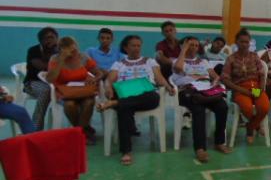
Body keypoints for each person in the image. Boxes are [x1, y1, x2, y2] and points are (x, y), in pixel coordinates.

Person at [97, 35, 175, 165]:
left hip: (146, 96)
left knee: (152, 97)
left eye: (139, 45)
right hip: (126, 93)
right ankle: (126, 151)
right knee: (124, 109)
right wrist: (107, 87)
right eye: (133, 45)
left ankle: (114, 104)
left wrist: (168, 86)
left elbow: (159, 78)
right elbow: (109, 80)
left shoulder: (149, 61)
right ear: (126, 48)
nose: (137, 48)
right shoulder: (119, 64)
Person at [172, 36, 230, 163]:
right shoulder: (177, 61)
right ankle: (200, 148)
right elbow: (178, 69)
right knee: (199, 110)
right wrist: (184, 50)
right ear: (183, 46)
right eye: (190, 45)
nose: (193, 47)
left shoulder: (203, 62)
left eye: (196, 45)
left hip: (205, 90)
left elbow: (214, 76)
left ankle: (219, 142)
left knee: (223, 107)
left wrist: (216, 81)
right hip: (188, 91)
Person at [47, 36, 103, 144]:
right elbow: (50, 79)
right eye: (70, 50)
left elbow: (98, 72)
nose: (73, 52)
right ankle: (85, 131)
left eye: (75, 49)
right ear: (61, 50)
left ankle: (79, 133)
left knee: (89, 102)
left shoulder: (83, 57)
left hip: (83, 90)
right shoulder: (55, 59)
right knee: (69, 105)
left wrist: (94, 79)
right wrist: (61, 60)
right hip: (65, 92)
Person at [221, 29, 270, 144]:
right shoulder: (231, 59)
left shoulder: (254, 56)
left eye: (247, 42)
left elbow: (262, 74)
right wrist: (242, 90)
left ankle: (250, 127)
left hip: (256, 87)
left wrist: (261, 88)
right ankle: (255, 127)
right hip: (240, 89)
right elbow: (225, 79)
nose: (244, 44)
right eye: (242, 42)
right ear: (236, 42)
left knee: (264, 107)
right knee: (247, 108)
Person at [24, 27, 59, 130]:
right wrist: (57, 55)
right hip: (32, 83)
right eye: (46, 38)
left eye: (52, 37)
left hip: (54, 83)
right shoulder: (33, 50)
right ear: (41, 40)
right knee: (46, 91)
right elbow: (44, 67)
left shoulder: (59, 51)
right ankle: (35, 129)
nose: (49, 40)